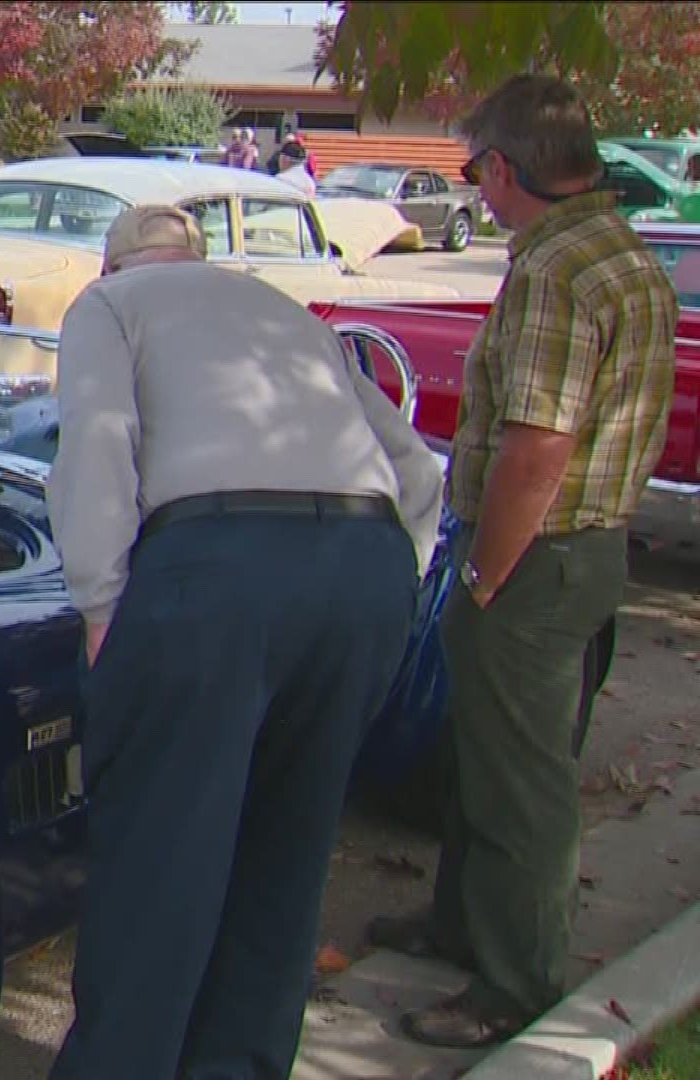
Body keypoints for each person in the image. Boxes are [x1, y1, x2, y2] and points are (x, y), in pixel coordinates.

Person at [44, 204, 443, 1080]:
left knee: (162, 861)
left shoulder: (109, 308)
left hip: (215, 574)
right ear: (198, 258)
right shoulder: (285, 313)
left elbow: (99, 451)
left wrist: (101, 608)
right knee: (289, 853)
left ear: (112, 267)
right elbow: (414, 465)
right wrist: (395, 578)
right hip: (365, 566)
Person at [368, 73, 678, 1050]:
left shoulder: (554, 270)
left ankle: (513, 982)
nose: (479, 192)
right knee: (485, 756)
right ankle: (464, 925)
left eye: (475, 174)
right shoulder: (615, 247)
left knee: (521, 784)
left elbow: (538, 445)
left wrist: (484, 574)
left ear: (502, 169)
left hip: (535, 557)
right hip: (581, 547)